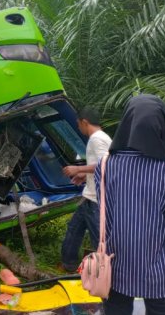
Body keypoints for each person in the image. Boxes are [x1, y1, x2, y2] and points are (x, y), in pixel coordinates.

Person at [98, 94, 165, 315]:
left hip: (115, 266)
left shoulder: (104, 166)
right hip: (163, 271)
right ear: (164, 127)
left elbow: (105, 215)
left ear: (127, 123)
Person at [59, 107, 112, 273]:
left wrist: (77, 169)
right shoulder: (101, 137)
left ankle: (107, 273)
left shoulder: (97, 139)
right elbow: (101, 166)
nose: (78, 127)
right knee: (74, 228)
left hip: (96, 198)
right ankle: (68, 265)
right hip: (90, 195)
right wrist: (84, 175)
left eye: (78, 124)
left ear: (84, 122)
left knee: (97, 237)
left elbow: (107, 165)